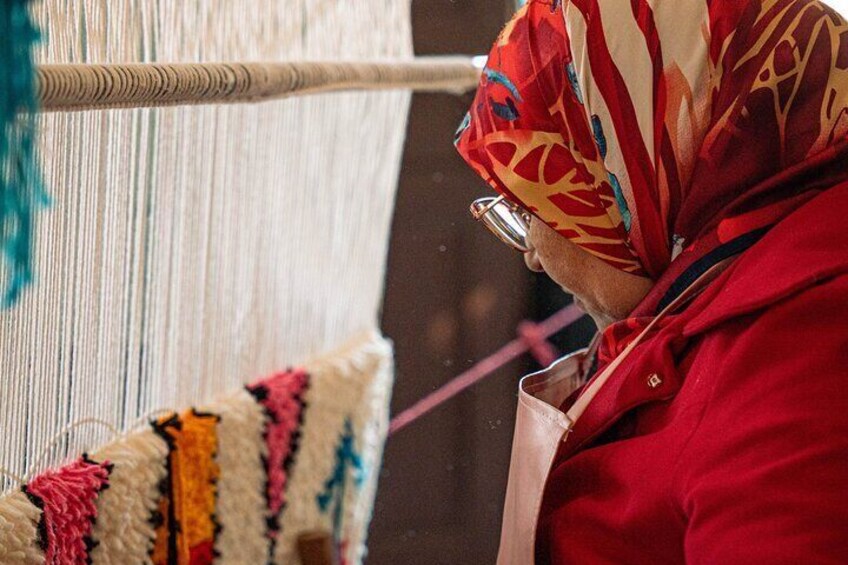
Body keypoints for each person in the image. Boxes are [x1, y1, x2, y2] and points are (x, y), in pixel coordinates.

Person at [455, 0, 848, 563]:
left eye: (537, 207)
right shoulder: (731, 289)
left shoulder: (803, 350)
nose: (535, 258)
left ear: (630, 173)